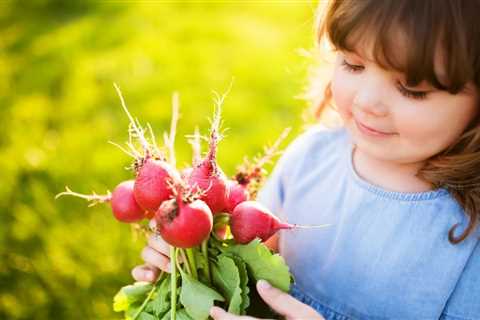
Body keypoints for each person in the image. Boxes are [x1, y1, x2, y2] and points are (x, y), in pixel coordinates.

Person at [132, 0, 480, 319]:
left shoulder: (471, 237)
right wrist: (191, 262)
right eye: (353, 64)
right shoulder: (311, 157)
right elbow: (251, 266)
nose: (367, 101)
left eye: (412, 89)